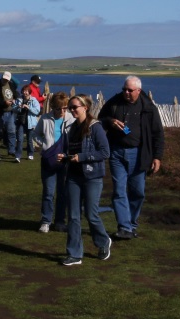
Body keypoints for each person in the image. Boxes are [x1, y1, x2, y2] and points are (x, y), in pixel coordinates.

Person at [99, 75, 165, 240]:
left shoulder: (148, 108)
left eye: (130, 90)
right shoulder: (114, 102)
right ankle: (124, 227)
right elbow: (100, 119)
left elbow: (158, 133)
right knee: (119, 190)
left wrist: (157, 156)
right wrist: (110, 121)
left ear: (138, 91)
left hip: (139, 153)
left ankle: (132, 224)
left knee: (138, 192)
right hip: (116, 152)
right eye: (124, 89)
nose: (126, 93)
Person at [57, 95, 111, 265]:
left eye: (74, 107)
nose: (71, 110)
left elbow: (104, 152)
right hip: (73, 175)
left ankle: (103, 241)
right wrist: (65, 157)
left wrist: (81, 157)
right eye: (69, 108)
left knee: (91, 214)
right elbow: (72, 151)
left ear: (85, 107)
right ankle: (74, 254)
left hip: (92, 176)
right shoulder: (71, 128)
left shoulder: (95, 127)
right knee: (73, 216)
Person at [34, 92, 70, 233]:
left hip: (65, 160)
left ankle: (60, 221)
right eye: (58, 108)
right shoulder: (45, 118)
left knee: (63, 192)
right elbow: (35, 134)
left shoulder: (71, 119)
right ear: (53, 107)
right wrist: (44, 145)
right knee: (48, 192)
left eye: (65, 108)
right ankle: (46, 221)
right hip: (48, 159)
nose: (62, 111)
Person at [0, 72, 19, 160]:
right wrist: (4, 103)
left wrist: (14, 99)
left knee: (11, 131)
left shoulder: (11, 85)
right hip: (0, 112)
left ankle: (11, 150)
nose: (4, 80)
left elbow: (15, 93)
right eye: (4, 79)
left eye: (6, 79)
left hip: (10, 112)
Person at [16, 84, 40, 161]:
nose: (25, 92)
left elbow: (37, 111)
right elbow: (14, 109)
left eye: (26, 91)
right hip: (20, 122)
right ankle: (18, 156)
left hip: (30, 123)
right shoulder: (19, 100)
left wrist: (29, 107)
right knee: (20, 139)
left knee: (29, 140)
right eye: (23, 91)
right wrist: (18, 107)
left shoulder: (34, 100)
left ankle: (30, 154)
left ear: (29, 92)